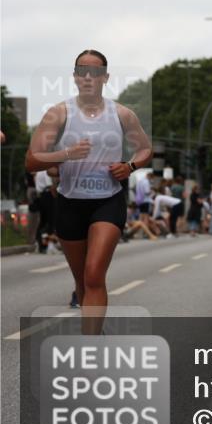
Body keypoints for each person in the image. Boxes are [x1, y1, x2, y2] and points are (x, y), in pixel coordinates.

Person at [24, 49, 152, 334]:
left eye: (94, 72)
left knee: (94, 275)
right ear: (74, 76)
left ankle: (89, 348)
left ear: (105, 77)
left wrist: (130, 166)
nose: (88, 77)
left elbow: (145, 149)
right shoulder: (58, 114)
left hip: (107, 201)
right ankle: (94, 331)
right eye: (82, 70)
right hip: (70, 202)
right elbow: (31, 160)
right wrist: (66, 154)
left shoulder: (121, 114)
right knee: (83, 281)